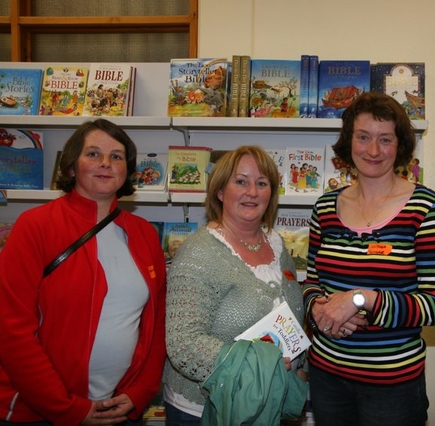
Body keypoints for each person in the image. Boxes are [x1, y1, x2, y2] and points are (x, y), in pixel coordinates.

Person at [0, 118, 167, 425]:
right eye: (93, 154)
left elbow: (155, 327)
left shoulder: (145, 235)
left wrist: (140, 392)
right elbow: (11, 330)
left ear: (127, 171)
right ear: (72, 166)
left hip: (118, 407)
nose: (105, 163)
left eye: (116, 156)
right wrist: (66, 408)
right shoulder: (34, 226)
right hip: (39, 412)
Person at [302, 92, 435, 426]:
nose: (372, 150)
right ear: (348, 141)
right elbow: (311, 283)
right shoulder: (325, 208)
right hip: (327, 376)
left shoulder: (425, 208)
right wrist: (319, 309)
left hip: (393, 387)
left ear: (399, 146)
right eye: (363, 137)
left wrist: (361, 300)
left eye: (385, 140)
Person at [162, 145, 307, 425]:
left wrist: (301, 369)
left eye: (261, 183)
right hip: (204, 409)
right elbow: (183, 344)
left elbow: (291, 320)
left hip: (265, 404)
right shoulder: (199, 252)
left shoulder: (277, 245)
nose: (252, 192)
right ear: (220, 191)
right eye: (240, 181)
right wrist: (261, 366)